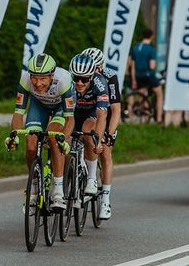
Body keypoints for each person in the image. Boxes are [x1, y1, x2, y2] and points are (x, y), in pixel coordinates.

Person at [9, 53, 76, 211]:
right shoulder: (25, 80)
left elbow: (70, 119)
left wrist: (64, 140)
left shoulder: (64, 81)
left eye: (43, 78)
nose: (38, 83)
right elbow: (18, 113)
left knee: (54, 137)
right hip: (39, 106)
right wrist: (15, 135)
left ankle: (58, 192)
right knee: (31, 143)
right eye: (35, 78)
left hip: (61, 108)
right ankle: (33, 187)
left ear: (52, 75)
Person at [82, 47, 121, 220]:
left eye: (96, 67)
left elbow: (115, 109)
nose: (94, 71)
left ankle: (105, 199)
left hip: (107, 114)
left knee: (105, 152)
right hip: (89, 112)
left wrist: (109, 134)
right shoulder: (81, 76)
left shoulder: (109, 76)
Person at [69, 53, 109, 197]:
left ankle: (91, 178)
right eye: (76, 78)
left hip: (92, 113)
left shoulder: (100, 83)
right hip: (74, 111)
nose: (79, 82)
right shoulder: (67, 83)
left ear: (91, 77)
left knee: (87, 133)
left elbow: (102, 115)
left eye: (84, 79)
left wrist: (97, 141)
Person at [130, 28, 163, 124]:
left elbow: (132, 66)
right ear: (152, 36)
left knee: (142, 96)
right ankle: (159, 119)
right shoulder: (151, 49)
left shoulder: (135, 48)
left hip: (138, 76)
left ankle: (143, 118)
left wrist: (133, 80)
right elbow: (152, 66)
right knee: (159, 94)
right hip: (148, 75)